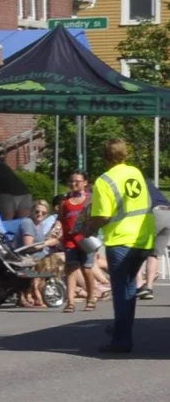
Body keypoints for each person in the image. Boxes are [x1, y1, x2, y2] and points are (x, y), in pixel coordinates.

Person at [89, 137, 155, 354]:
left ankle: (121, 339)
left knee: (121, 290)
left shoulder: (104, 181)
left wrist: (88, 229)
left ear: (105, 156)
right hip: (143, 238)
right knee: (128, 289)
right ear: (125, 153)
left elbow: (103, 215)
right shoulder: (135, 173)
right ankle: (121, 329)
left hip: (120, 240)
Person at [58, 171, 100, 312]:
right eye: (71, 181)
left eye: (77, 181)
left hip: (86, 239)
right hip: (70, 240)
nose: (74, 184)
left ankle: (91, 298)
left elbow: (96, 219)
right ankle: (70, 302)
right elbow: (62, 220)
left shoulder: (90, 200)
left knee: (87, 269)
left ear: (85, 182)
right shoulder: (65, 202)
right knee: (71, 269)